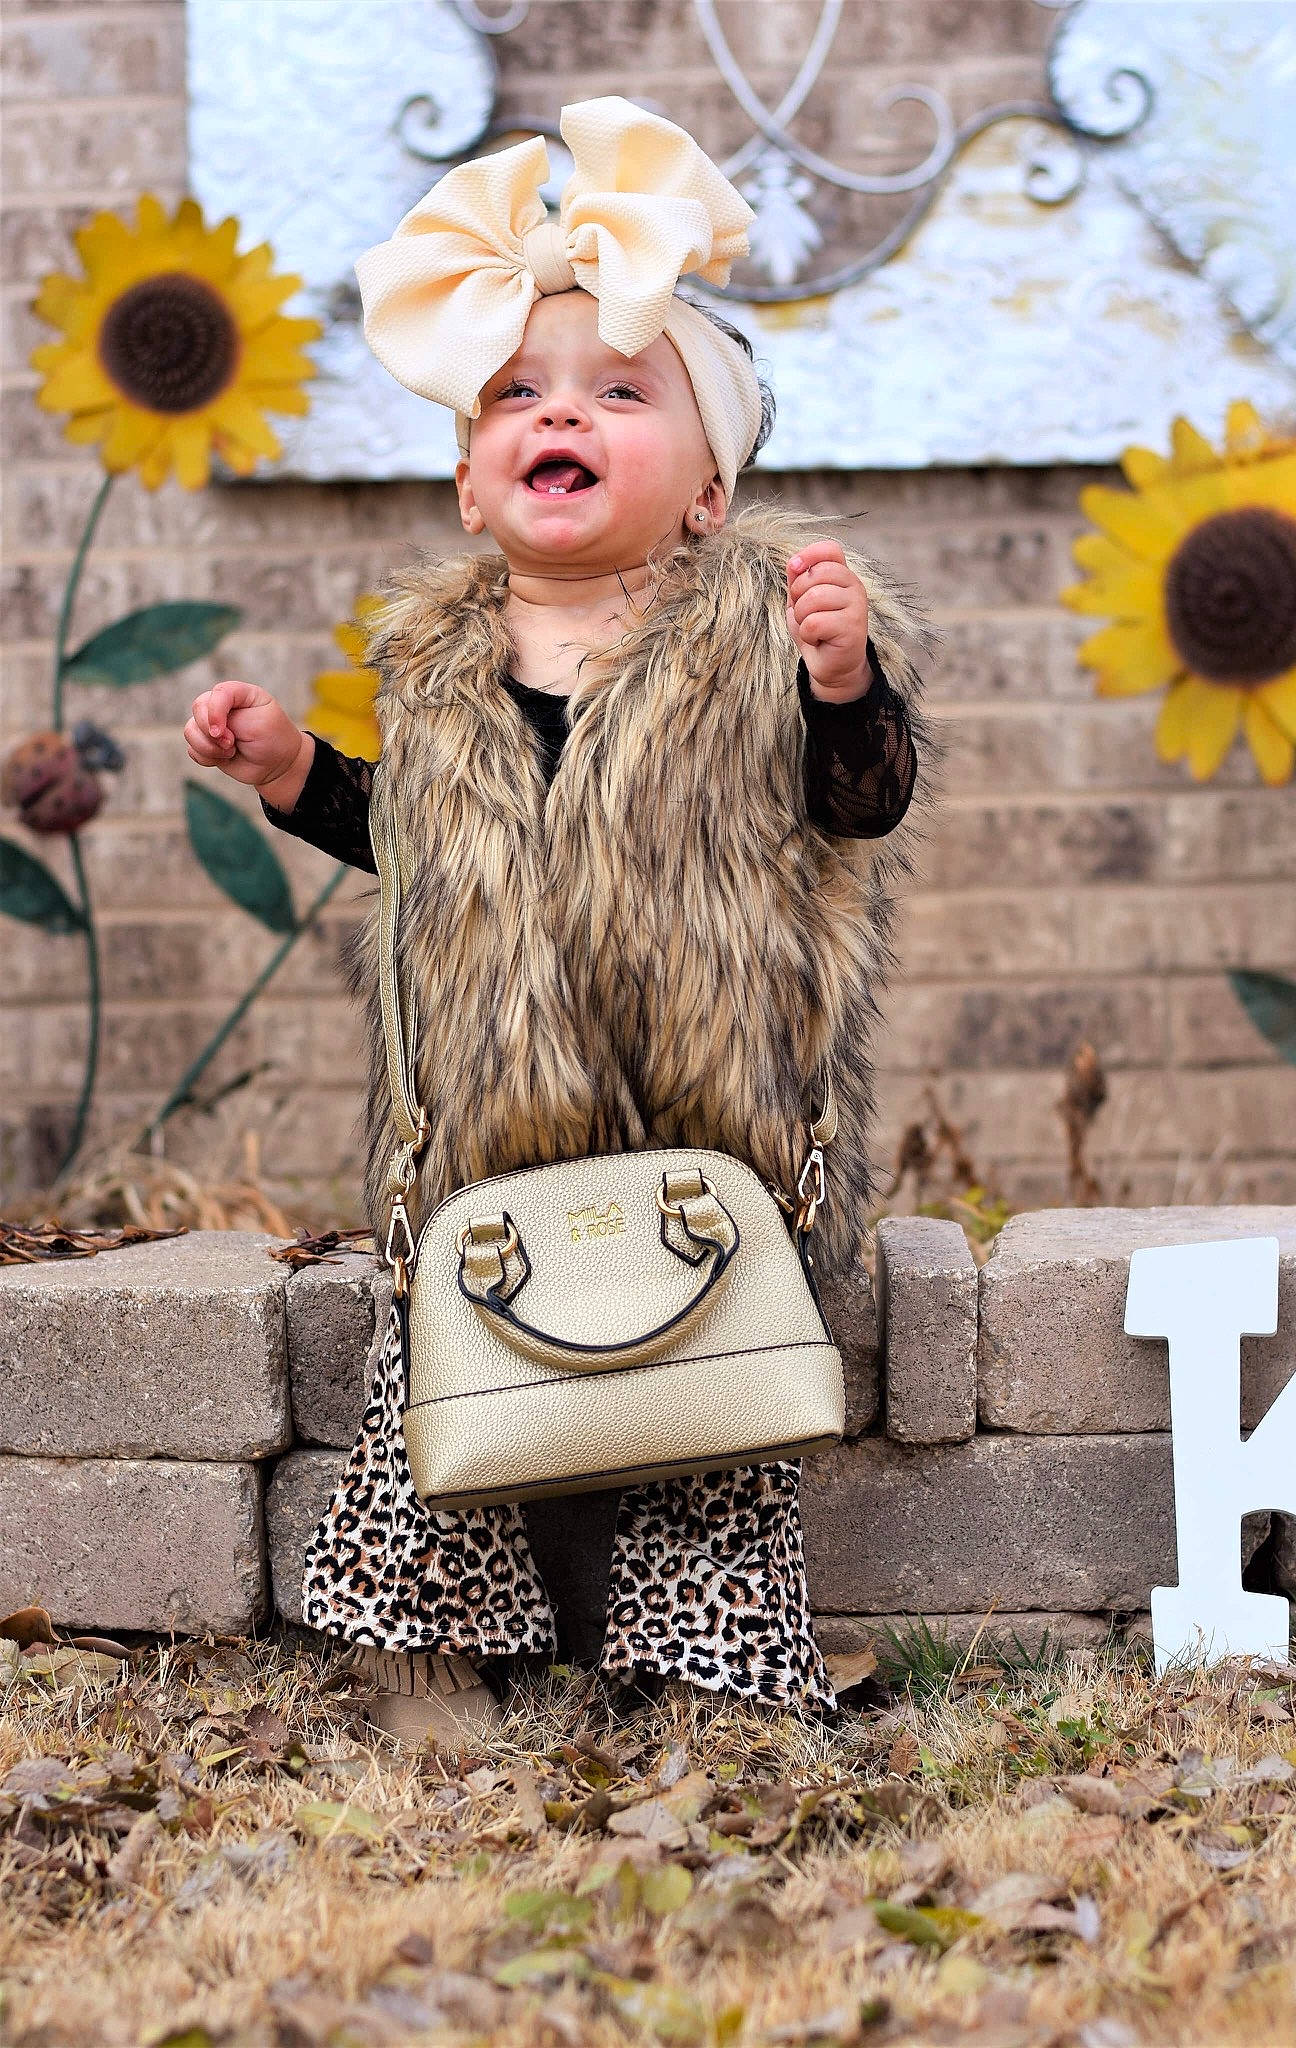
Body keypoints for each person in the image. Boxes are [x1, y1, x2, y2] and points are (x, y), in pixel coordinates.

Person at [184, 97, 932, 1746]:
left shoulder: (752, 641)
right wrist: (293, 769)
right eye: (517, 395)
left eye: (618, 390)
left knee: (713, 1429)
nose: (561, 412)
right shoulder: (440, 676)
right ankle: (426, 1654)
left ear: (709, 491)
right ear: (471, 485)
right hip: (484, 1147)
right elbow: (414, 844)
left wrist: (840, 680)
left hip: (712, 1134)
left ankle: (709, 1673)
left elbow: (859, 802)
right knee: (430, 1409)